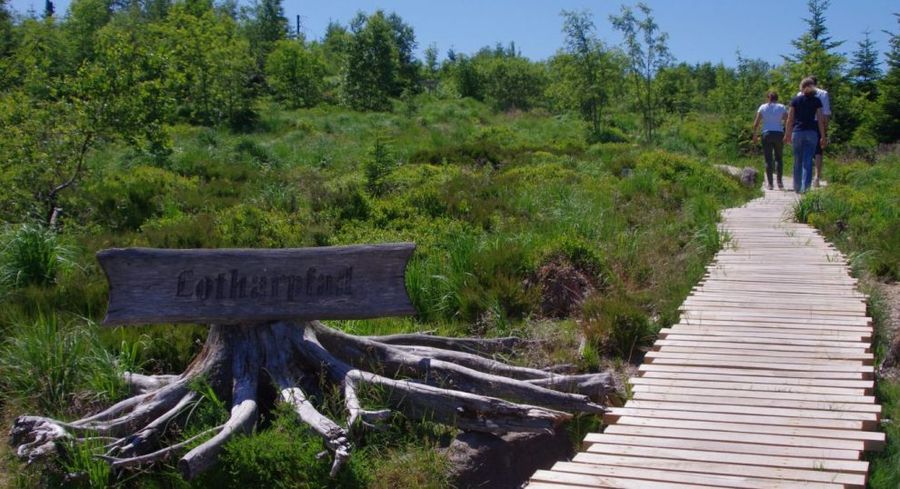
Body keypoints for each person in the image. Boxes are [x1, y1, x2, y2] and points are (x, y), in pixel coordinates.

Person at [784, 77, 827, 193]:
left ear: (801, 87)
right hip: (812, 133)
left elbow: (790, 119)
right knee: (808, 160)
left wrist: (787, 134)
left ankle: (797, 187)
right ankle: (806, 188)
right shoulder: (817, 101)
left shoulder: (795, 100)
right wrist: (823, 136)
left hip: (797, 132)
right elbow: (820, 119)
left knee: (797, 160)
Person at [796, 75, 831, 187]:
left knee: (803, 152)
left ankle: (803, 177)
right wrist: (824, 132)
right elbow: (825, 114)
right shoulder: (823, 94)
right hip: (817, 124)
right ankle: (816, 177)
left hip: (801, 124)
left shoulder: (799, 94)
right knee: (818, 152)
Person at [752, 91, 787, 190]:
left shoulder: (762, 107)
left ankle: (770, 184)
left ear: (768, 98)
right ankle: (780, 183)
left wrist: (755, 135)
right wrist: (788, 133)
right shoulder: (781, 107)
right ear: (777, 98)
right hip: (778, 133)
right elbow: (787, 120)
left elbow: (756, 123)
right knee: (779, 158)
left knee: (768, 159)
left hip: (766, 134)